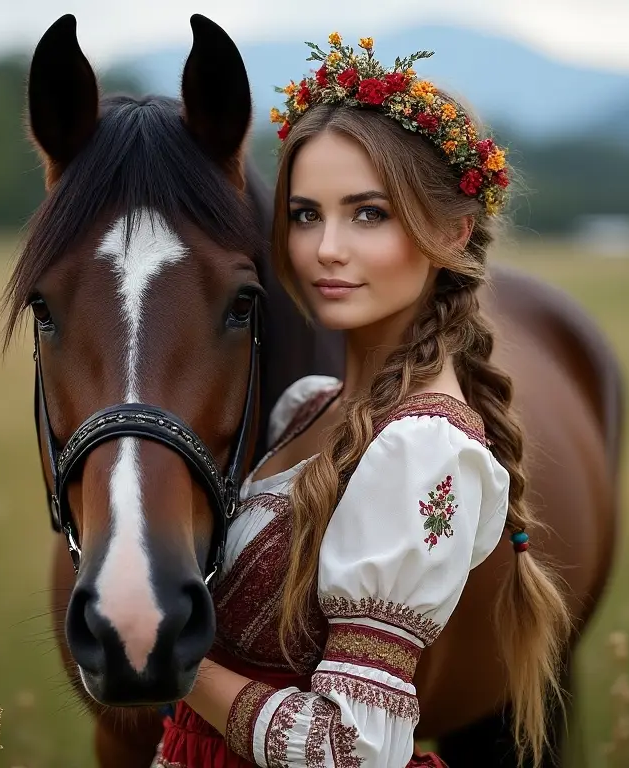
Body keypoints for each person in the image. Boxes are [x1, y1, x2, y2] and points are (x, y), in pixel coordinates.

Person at [154, 32, 570, 768]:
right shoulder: (309, 407)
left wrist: (178, 663)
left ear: (451, 230)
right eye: (306, 214)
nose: (325, 249)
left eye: (368, 214)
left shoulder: (424, 455)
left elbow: (351, 749)